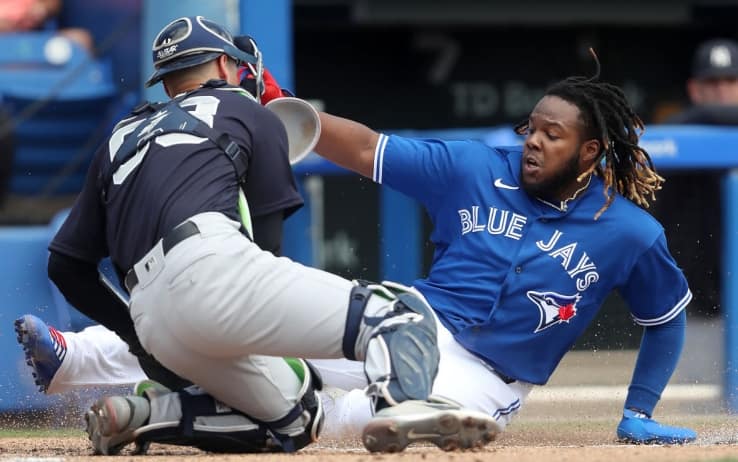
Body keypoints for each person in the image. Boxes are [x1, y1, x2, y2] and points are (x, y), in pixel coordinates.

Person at [18, 47, 697, 446]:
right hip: (414, 320)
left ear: (590, 150)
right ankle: (72, 356)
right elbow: (368, 147)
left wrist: (639, 410)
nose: (533, 142)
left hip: (489, 376)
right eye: (532, 128)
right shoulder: (474, 168)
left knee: (350, 419)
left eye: (552, 135)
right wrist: (285, 104)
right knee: (263, 329)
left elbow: (663, 323)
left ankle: (165, 411)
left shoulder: (631, 233)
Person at [40, 14, 498, 456]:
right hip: (214, 268)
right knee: (399, 314)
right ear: (224, 65)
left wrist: (139, 339)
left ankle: (147, 412)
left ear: (167, 81)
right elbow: (266, 248)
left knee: (298, 417)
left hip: (151, 316)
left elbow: (66, 266)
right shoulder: (243, 106)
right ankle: (405, 407)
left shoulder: (121, 134)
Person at [654, 38, 738, 318]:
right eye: (712, 83)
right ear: (695, 89)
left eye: (730, 81)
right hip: (698, 306)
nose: (722, 91)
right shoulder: (676, 132)